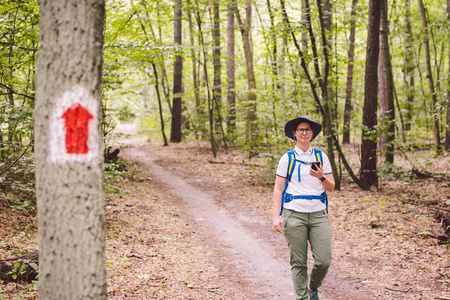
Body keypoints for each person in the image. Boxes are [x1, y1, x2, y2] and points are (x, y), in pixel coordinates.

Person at [272, 116, 335, 300]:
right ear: (294, 133)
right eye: (301, 129)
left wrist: (322, 177)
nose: (304, 133)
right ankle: (302, 298)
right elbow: (278, 188)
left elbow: (331, 187)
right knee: (298, 262)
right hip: (294, 214)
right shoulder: (287, 158)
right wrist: (276, 216)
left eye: (307, 129)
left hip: (318, 214)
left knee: (324, 260)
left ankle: (313, 287)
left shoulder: (321, 157)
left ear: (312, 133)